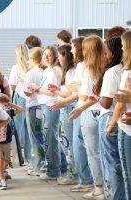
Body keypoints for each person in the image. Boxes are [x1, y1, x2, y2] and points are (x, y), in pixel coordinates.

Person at [68, 35, 104, 199]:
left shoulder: (89, 70)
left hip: (89, 113)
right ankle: (104, 186)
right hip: (101, 113)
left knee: (93, 152)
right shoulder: (104, 67)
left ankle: (98, 188)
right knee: (101, 152)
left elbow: (84, 96)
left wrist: (80, 88)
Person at [92, 36, 125, 200]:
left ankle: (114, 196)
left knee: (110, 162)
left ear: (112, 52)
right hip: (120, 118)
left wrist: (97, 97)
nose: (104, 54)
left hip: (110, 118)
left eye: (106, 51)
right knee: (120, 163)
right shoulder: (123, 69)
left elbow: (106, 102)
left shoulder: (112, 71)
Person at [47, 44, 77, 185]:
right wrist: (58, 90)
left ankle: (73, 174)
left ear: (66, 56)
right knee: (67, 142)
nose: (58, 58)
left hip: (68, 107)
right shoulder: (68, 71)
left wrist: (57, 92)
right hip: (66, 107)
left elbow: (70, 94)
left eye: (60, 55)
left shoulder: (71, 72)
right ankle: (72, 173)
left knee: (69, 142)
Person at [36, 45, 67, 180]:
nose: (47, 57)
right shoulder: (48, 70)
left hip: (51, 106)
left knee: (50, 138)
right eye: (45, 55)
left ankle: (53, 171)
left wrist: (36, 88)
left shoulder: (54, 71)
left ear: (55, 56)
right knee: (52, 137)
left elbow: (51, 91)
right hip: (46, 106)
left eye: (49, 55)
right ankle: (63, 166)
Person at [107, 30, 131, 199]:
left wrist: (112, 124)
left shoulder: (127, 72)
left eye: (123, 46)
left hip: (127, 130)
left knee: (127, 177)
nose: (121, 50)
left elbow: (120, 103)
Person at [0, 93, 23, 190]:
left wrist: (10, 105)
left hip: (7, 139)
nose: (4, 106)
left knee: (7, 160)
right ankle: (2, 180)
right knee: (0, 159)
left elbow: (20, 109)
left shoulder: (9, 111)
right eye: (3, 104)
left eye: (6, 104)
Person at [9, 44, 31, 169]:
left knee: (17, 129)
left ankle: (18, 157)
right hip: (30, 99)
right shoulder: (31, 67)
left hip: (19, 98)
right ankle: (29, 157)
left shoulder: (16, 68)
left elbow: (12, 85)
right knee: (29, 130)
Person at [24, 47, 45, 176]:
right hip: (41, 106)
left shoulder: (30, 73)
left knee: (34, 136)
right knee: (41, 135)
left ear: (32, 59)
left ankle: (37, 165)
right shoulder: (44, 71)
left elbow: (27, 91)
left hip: (32, 105)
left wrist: (22, 85)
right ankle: (42, 163)